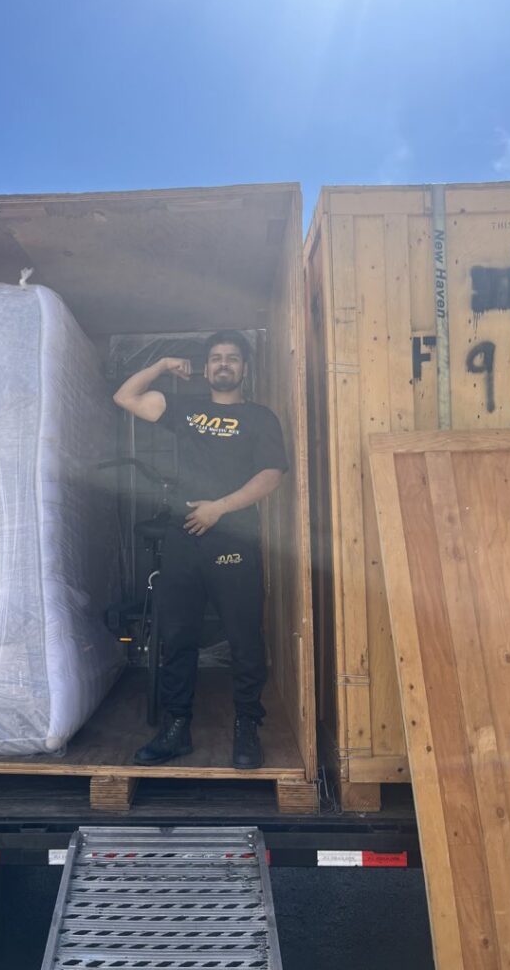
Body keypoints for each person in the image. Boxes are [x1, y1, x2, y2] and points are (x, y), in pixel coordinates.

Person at [112, 330, 288, 770]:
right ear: (207, 368)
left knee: (245, 640)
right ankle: (176, 729)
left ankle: (247, 726)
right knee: (177, 637)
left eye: (232, 358)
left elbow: (272, 475)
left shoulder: (261, 417)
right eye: (215, 359)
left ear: (244, 369)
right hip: (183, 540)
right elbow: (125, 397)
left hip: (235, 540)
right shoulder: (185, 410)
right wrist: (162, 364)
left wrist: (220, 509)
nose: (223, 364)